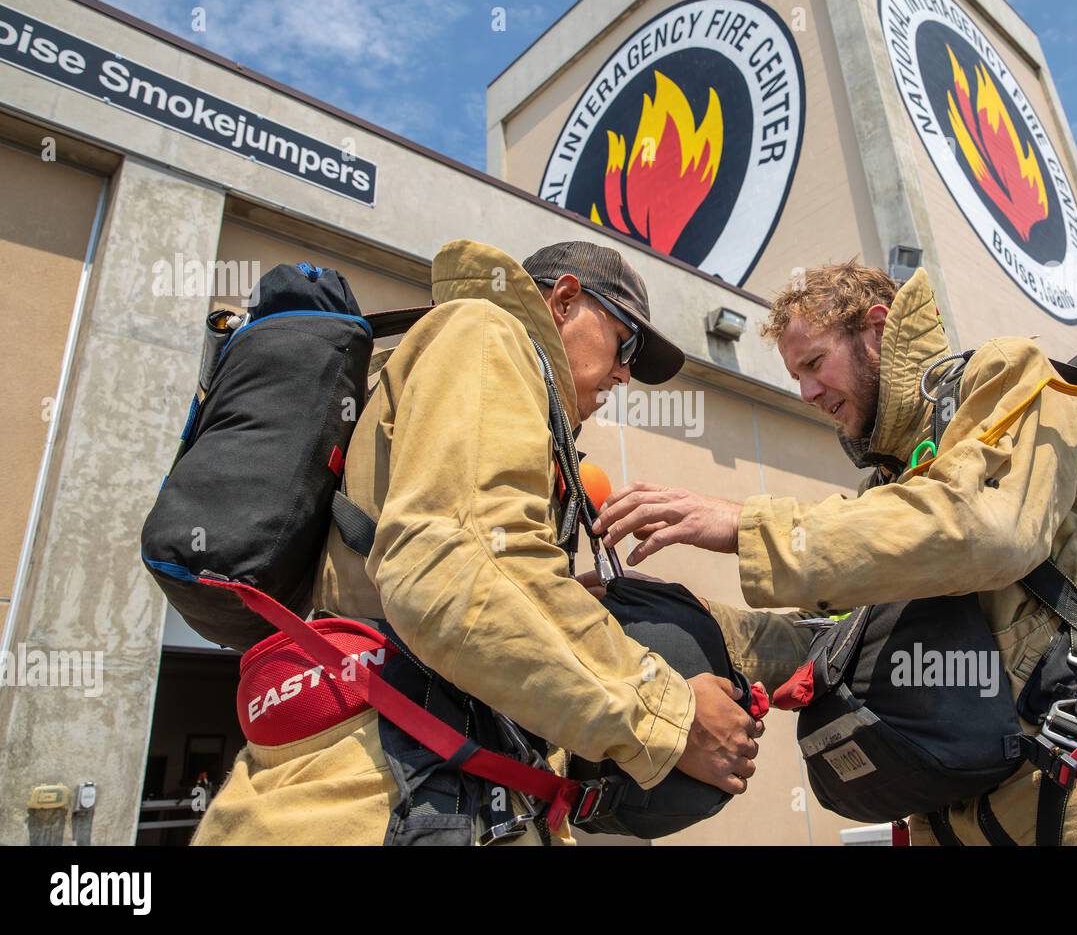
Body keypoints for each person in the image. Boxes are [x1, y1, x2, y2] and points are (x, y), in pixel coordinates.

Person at [592, 258, 1077, 845]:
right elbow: (835, 651)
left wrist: (748, 525)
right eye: (796, 376)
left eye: (813, 363)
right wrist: (663, 622)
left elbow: (991, 531)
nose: (807, 392)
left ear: (874, 328)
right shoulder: (897, 491)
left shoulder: (1010, 380)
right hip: (986, 806)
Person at [192, 238, 761, 846]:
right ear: (564, 299)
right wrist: (671, 714)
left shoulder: (488, 377)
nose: (625, 371)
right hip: (382, 801)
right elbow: (461, 569)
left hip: (399, 786)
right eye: (627, 343)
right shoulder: (487, 332)